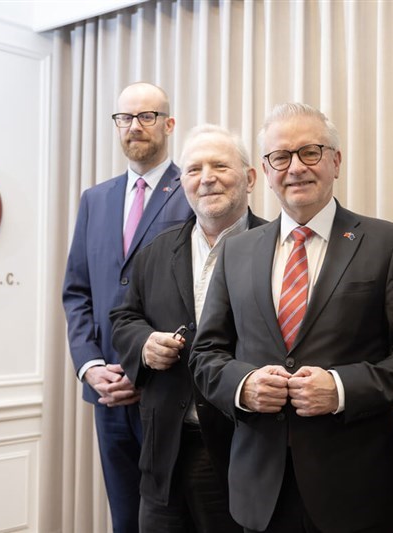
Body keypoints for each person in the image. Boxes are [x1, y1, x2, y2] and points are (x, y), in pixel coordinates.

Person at [189, 103, 393, 533]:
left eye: (310, 152)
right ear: (265, 172)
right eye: (280, 157)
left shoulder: (386, 243)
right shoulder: (237, 252)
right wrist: (245, 386)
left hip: (357, 486)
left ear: (335, 161)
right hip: (261, 488)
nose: (295, 168)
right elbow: (206, 354)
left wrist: (341, 388)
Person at [110, 124, 265, 532]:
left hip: (242, 450)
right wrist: (143, 344)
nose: (206, 177)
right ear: (182, 183)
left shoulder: (276, 246)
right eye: (194, 169)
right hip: (164, 453)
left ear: (250, 178)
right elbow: (122, 319)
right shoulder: (156, 251)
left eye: (220, 166)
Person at [62, 82, 193, 532]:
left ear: (169, 124)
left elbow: (201, 292)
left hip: (166, 392)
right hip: (106, 393)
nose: (134, 127)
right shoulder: (94, 200)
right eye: (125, 118)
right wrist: (90, 366)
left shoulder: (192, 191)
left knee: (172, 519)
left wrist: (145, 366)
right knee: (124, 519)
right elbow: (77, 292)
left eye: (147, 116)